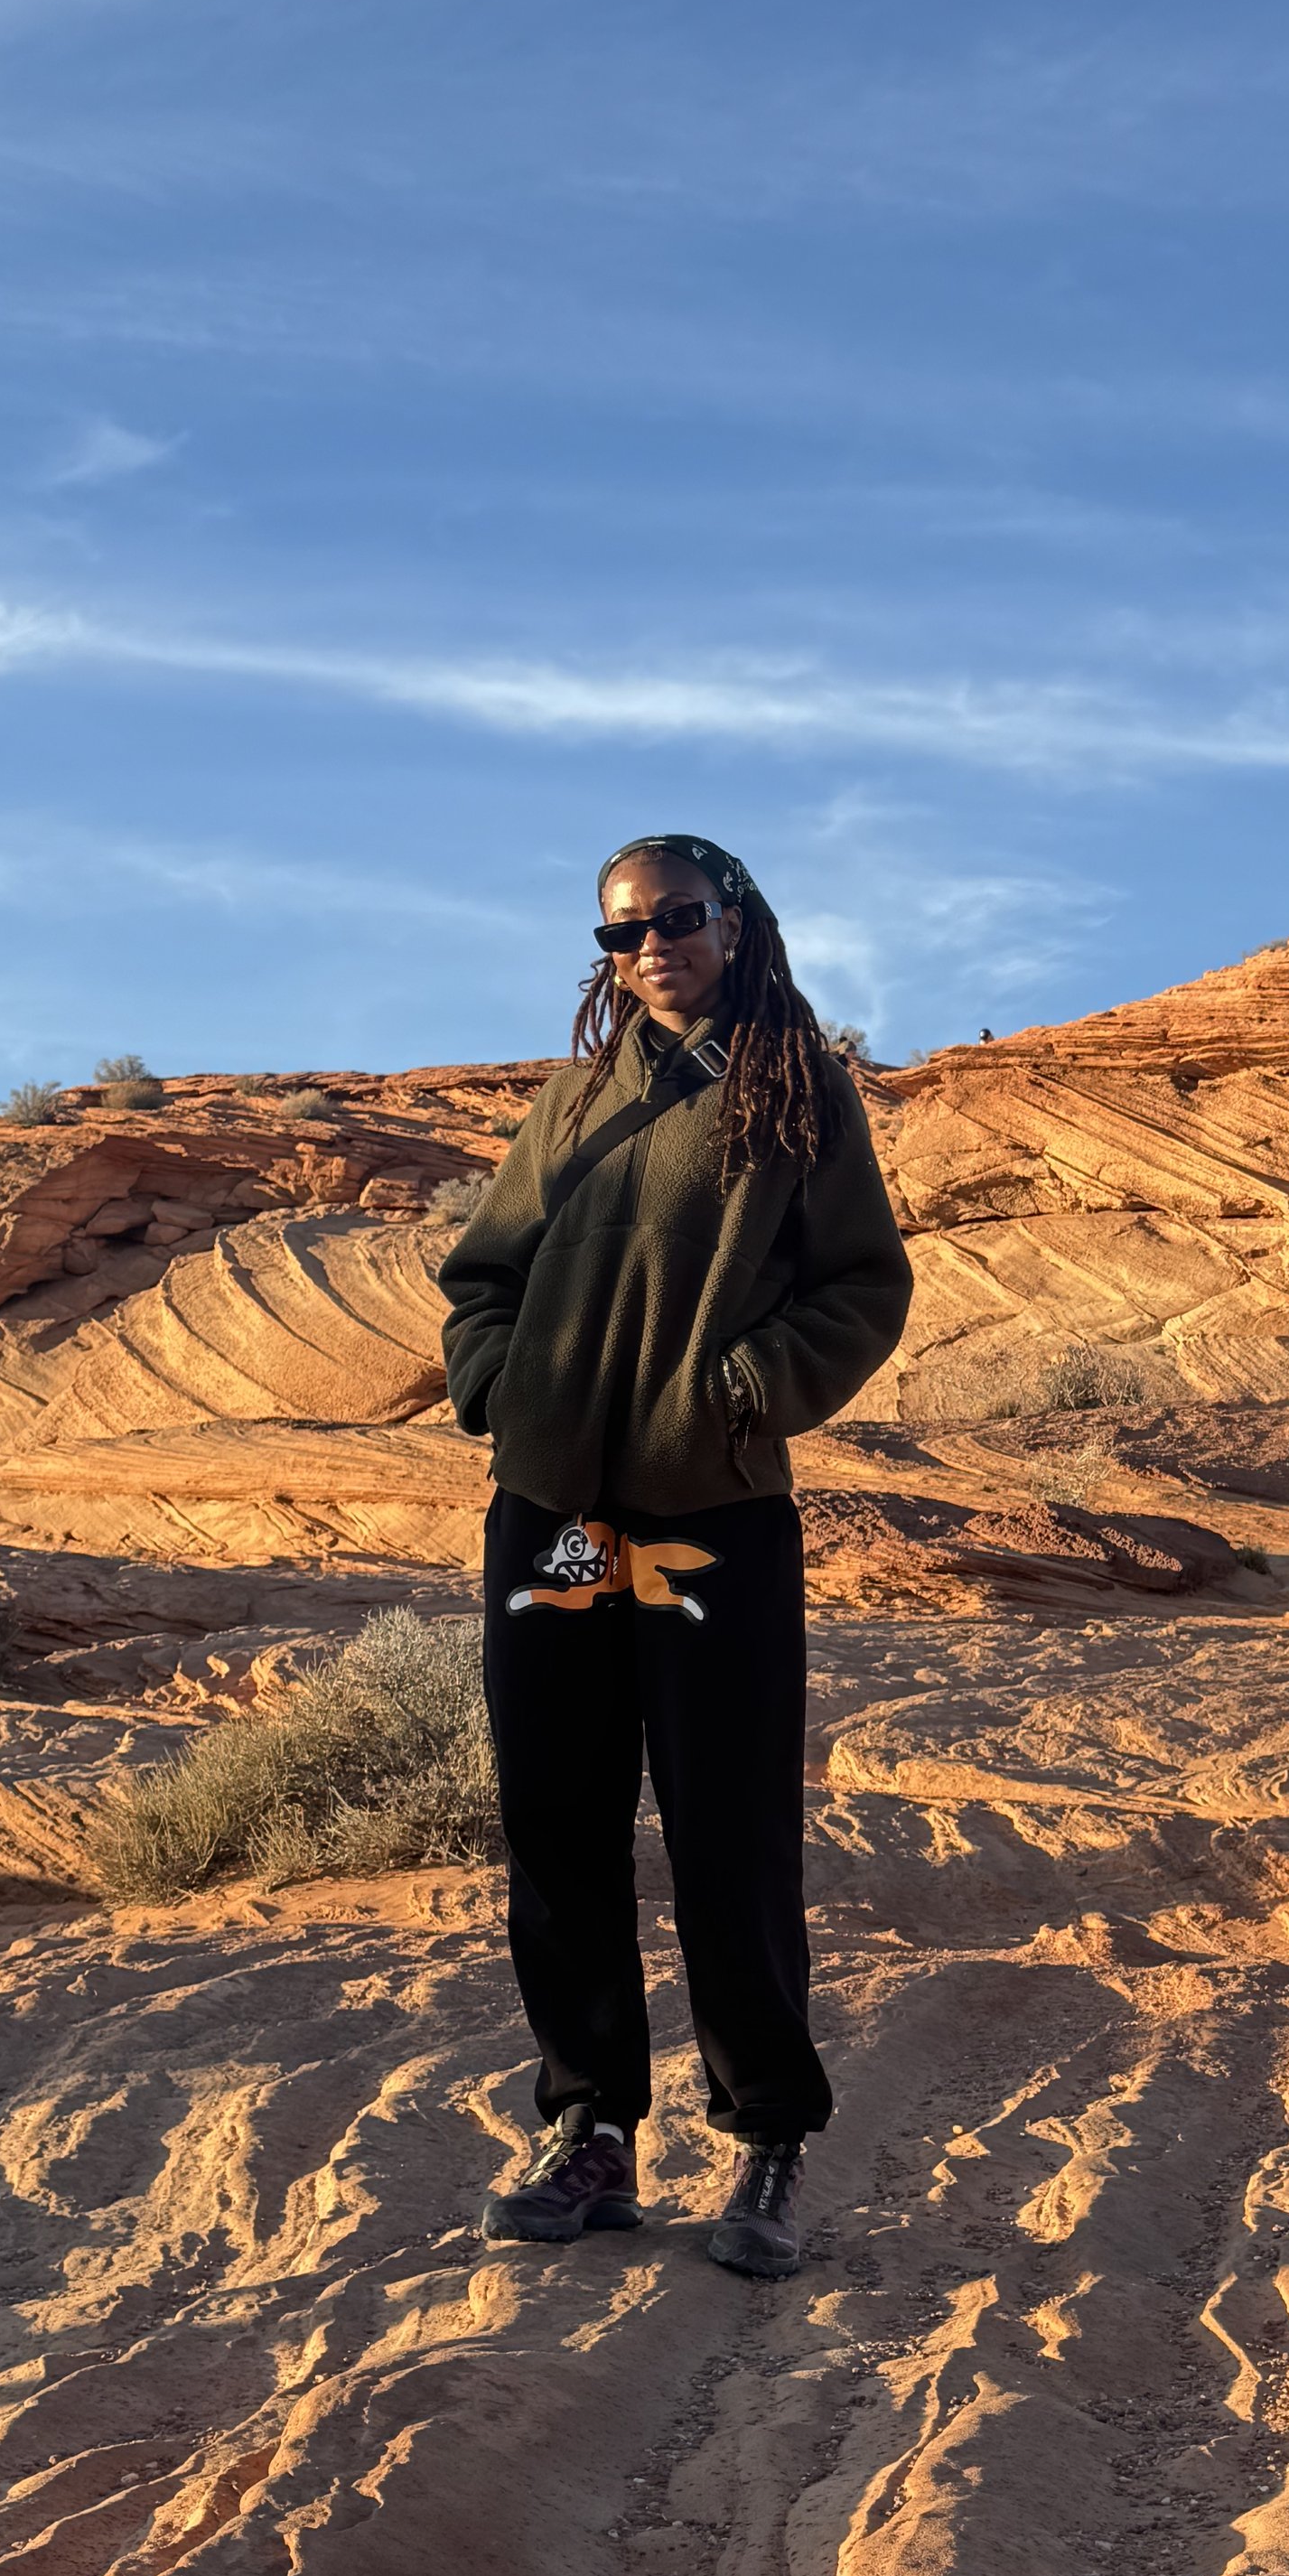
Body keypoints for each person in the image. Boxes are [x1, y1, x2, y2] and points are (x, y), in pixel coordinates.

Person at [437, 835, 912, 2276]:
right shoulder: (575, 1099)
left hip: (710, 1514)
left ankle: (766, 2139)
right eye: (620, 934)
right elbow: (483, 1275)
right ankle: (590, 2130)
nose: (650, 949)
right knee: (559, 1821)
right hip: (559, 1520)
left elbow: (864, 1285)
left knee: (726, 1826)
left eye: (676, 920)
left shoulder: (793, 1090)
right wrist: (500, 1386)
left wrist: (743, 1393)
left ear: (737, 920)